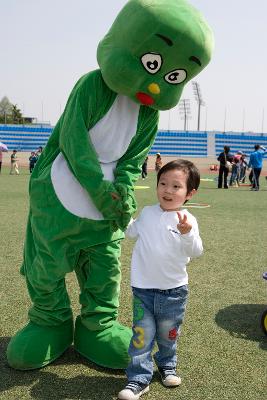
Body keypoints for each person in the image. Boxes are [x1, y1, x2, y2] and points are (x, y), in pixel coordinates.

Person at [7, 0, 213, 371]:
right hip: (60, 198)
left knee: (104, 271)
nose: (155, 80)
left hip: (105, 213)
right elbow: (74, 142)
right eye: (153, 64)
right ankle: (50, 321)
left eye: (172, 76)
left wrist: (122, 193)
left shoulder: (149, 113)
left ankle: (96, 325)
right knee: (47, 266)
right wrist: (100, 192)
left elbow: (132, 160)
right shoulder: (91, 85)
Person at [118, 159, 203, 400]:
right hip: (143, 290)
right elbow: (130, 231)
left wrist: (186, 234)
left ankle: (167, 365)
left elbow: (195, 251)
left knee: (168, 335)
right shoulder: (147, 213)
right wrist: (124, 212)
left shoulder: (188, 220)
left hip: (174, 292)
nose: (167, 190)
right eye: (163, 183)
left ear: (190, 193)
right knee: (141, 335)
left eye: (176, 186)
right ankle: (138, 379)